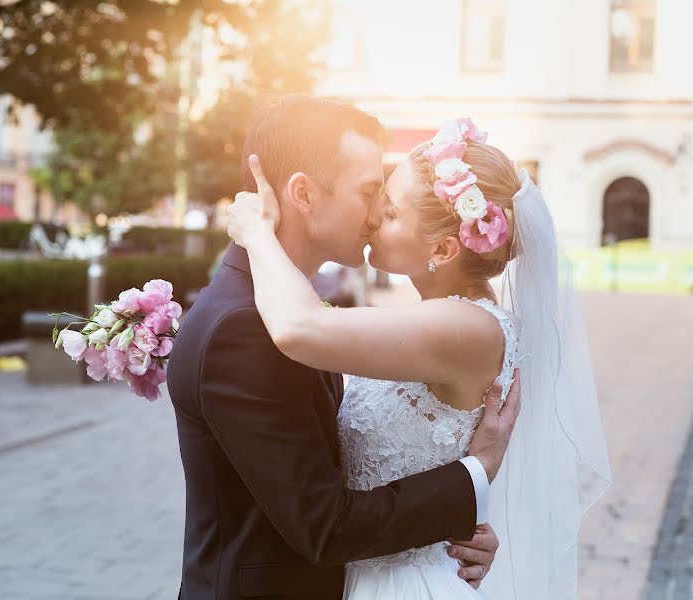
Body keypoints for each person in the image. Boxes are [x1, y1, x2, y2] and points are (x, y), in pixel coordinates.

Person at [227, 116, 612, 598]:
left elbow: (299, 327)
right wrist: (462, 501)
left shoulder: (467, 328)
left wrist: (257, 233)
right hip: (380, 565)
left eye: (388, 212)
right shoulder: (439, 320)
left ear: (444, 248)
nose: (371, 218)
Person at [166, 97, 519, 600]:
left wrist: (445, 532)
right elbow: (324, 525)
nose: (376, 216)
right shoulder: (243, 326)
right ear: (304, 194)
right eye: (371, 193)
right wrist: (469, 482)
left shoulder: (291, 306)